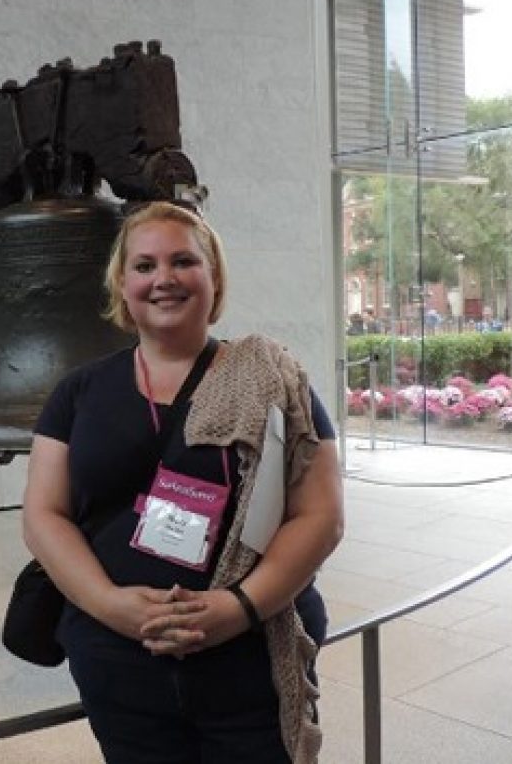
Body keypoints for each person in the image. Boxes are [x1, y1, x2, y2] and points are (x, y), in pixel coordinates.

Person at [23, 201, 344, 764]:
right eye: (144, 266)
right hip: (118, 655)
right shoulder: (79, 391)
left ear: (213, 277)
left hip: (248, 653)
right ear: (122, 285)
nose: (163, 278)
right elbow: (43, 514)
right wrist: (110, 604)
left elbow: (321, 515)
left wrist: (238, 607)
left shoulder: (273, 377)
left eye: (183, 261)